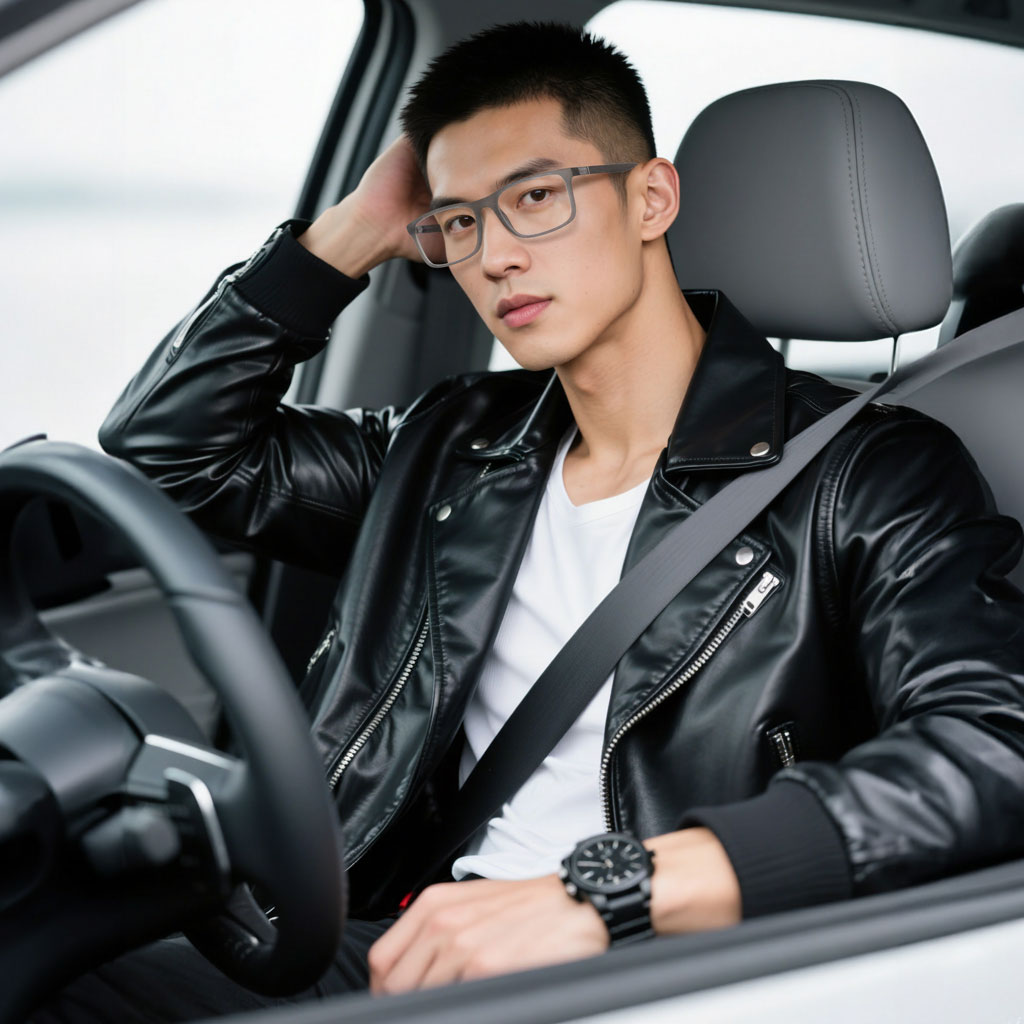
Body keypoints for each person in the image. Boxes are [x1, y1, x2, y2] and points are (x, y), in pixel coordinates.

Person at [35, 19, 1024, 1020]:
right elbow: (170, 445)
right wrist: (355, 230)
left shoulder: (869, 474)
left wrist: (610, 892)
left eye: (537, 197)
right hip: (404, 938)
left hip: (669, 969)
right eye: (460, 221)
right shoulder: (451, 445)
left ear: (652, 198)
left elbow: (993, 743)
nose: (496, 255)